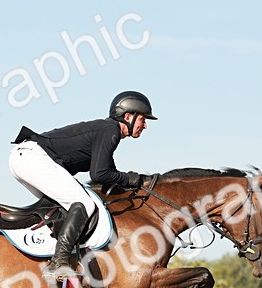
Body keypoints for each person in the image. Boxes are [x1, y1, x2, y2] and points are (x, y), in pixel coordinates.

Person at [9, 90, 156, 276]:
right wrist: (130, 178)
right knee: (84, 204)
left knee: (67, 205)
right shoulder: (110, 130)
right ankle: (58, 263)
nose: (145, 126)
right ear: (128, 116)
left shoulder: (106, 131)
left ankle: (52, 250)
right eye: (143, 119)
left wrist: (126, 182)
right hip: (32, 158)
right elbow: (100, 174)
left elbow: (108, 175)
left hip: (24, 158)